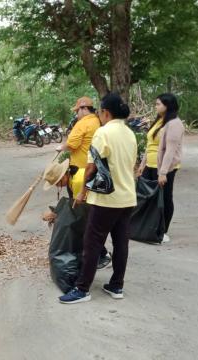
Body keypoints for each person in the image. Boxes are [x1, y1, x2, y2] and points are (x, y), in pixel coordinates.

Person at [59, 93, 137, 304]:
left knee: (92, 242)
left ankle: (82, 289)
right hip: (128, 197)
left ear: (105, 112)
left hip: (106, 200)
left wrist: (83, 192)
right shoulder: (130, 134)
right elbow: (131, 167)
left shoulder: (103, 133)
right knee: (121, 243)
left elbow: (91, 167)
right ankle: (116, 285)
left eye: (100, 112)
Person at [43, 156, 112, 269]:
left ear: (63, 176)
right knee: (85, 229)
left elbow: (78, 208)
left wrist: (57, 215)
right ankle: (96, 255)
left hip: (102, 203)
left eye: (57, 183)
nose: (57, 186)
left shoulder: (77, 181)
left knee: (87, 230)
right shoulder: (72, 177)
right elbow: (73, 205)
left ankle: (104, 256)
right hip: (94, 202)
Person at [137, 93, 184, 243]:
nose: (155, 106)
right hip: (150, 165)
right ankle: (146, 228)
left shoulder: (174, 124)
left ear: (167, 105)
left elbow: (170, 150)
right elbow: (150, 144)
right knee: (146, 197)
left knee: (164, 198)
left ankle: (163, 230)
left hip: (165, 168)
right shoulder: (159, 121)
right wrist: (142, 164)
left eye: (158, 104)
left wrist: (163, 172)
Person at [57, 96, 101, 169]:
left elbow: (71, 145)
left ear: (85, 109)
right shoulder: (97, 121)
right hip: (94, 166)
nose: (76, 114)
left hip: (80, 168)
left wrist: (60, 147)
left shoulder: (82, 123)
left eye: (77, 111)